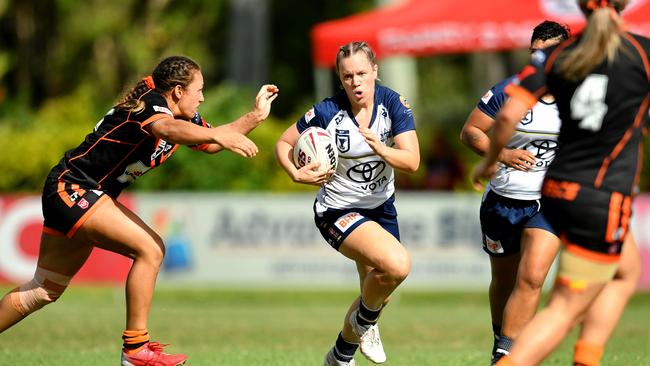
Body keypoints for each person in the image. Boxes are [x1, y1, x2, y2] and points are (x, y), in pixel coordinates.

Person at [0, 55, 279, 366]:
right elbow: (168, 130)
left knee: (44, 289)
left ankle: (135, 352)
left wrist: (255, 115)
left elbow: (213, 142)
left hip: (78, 191)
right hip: (74, 189)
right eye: (199, 90)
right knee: (151, 249)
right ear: (177, 91)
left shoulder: (183, 117)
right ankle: (135, 350)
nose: (202, 96)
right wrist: (216, 134)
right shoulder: (151, 104)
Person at [472, 1, 646, 365]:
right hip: (600, 189)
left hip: (553, 191)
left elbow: (507, 116)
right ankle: (568, 357)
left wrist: (486, 162)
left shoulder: (559, 59)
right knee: (596, 287)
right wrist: (499, 159)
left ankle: (513, 354)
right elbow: (489, 120)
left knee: (544, 281)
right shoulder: (639, 54)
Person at [275, 41, 419, 366]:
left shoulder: (392, 104)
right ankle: (365, 323)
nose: (355, 82)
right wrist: (295, 173)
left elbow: (411, 161)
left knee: (380, 288)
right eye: (347, 76)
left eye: (361, 74)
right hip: (337, 210)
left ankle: (339, 356)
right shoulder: (328, 111)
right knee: (397, 266)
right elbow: (283, 142)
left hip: (381, 208)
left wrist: (381, 147)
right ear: (340, 79)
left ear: (375, 72)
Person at [460, 20, 569, 365]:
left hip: (549, 202)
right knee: (503, 281)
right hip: (503, 201)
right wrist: (503, 154)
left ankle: (504, 356)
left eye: (547, 54)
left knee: (533, 276)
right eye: (534, 53)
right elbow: (471, 132)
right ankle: (501, 340)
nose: (538, 61)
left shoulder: (578, 95)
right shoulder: (511, 90)